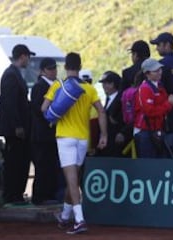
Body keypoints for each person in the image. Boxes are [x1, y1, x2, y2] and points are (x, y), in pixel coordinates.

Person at [42, 52, 107, 234]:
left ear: (65, 67)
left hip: (65, 137)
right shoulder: (90, 88)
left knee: (71, 180)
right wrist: (103, 134)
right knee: (74, 179)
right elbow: (101, 112)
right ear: (79, 67)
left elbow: (44, 109)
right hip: (83, 138)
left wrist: (56, 112)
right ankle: (64, 217)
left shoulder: (57, 85)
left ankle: (79, 219)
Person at [0, 44, 35, 205]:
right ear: (23, 56)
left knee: (20, 161)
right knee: (15, 162)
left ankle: (17, 194)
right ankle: (12, 194)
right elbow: (10, 103)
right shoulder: (11, 75)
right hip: (14, 130)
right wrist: (17, 125)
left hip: (17, 128)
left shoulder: (14, 74)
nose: (29, 60)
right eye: (28, 57)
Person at [134, 58, 173, 158]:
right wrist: (170, 102)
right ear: (147, 74)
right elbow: (150, 111)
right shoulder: (145, 89)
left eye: (160, 69)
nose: (160, 72)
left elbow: (164, 105)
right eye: (156, 71)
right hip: (145, 132)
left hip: (157, 131)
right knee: (148, 165)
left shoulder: (159, 87)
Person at [30, 57, 61, 205]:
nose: (53, 71)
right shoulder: (39, 86)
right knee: (43, 165)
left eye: (54, 68)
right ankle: (40, 196)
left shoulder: (55, 85)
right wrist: (51, 118)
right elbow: (37, 109)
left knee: (51, 165)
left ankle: (49, 194)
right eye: (50, 69)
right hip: (42, 133)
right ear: (42, 71)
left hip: (51, 133)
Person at [97, 71, 125, 157]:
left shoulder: (121, 99)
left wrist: (122, 132)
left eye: (106, 83)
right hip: (107, 141)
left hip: (116, 141)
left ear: (113, 84)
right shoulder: (108, 99)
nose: (104, 86)